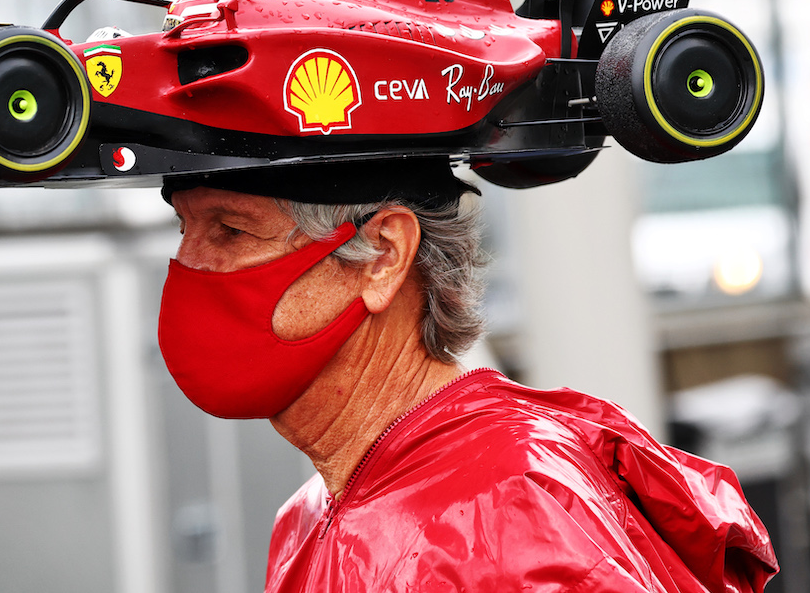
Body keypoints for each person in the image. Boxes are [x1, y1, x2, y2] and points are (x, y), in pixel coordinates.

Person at [156, 159, 778, 593]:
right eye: (184, 229)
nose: (186, 265)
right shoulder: (306, 518)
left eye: (230, 230)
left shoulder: (520, 505)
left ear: (382, 256)